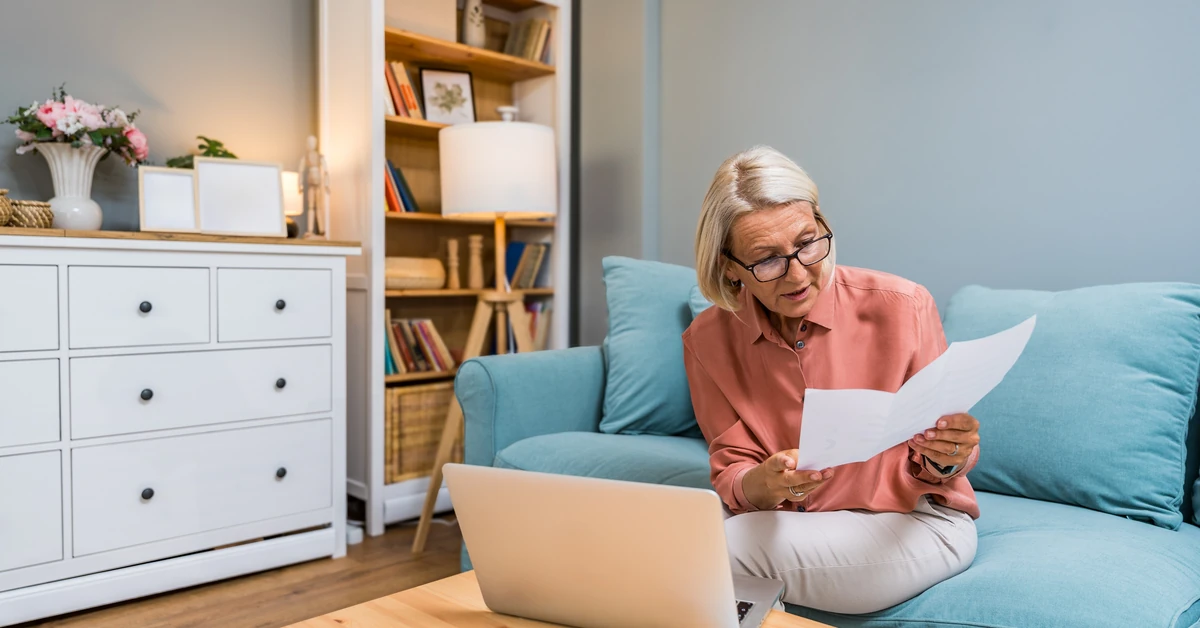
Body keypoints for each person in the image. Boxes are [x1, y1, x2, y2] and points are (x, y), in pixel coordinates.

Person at [683, 146, 980, 614]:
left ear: (821, 222)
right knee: (665, 535)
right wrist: (767, 481)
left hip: (912, 522)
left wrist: (949, 455)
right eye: (767, 260)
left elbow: (942, 461)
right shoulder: (707, 339)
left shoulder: (903, 306)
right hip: (785, 518)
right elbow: (733, 474)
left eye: (807, 242)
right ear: (729, 267)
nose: (798, 273)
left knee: (713, 551)